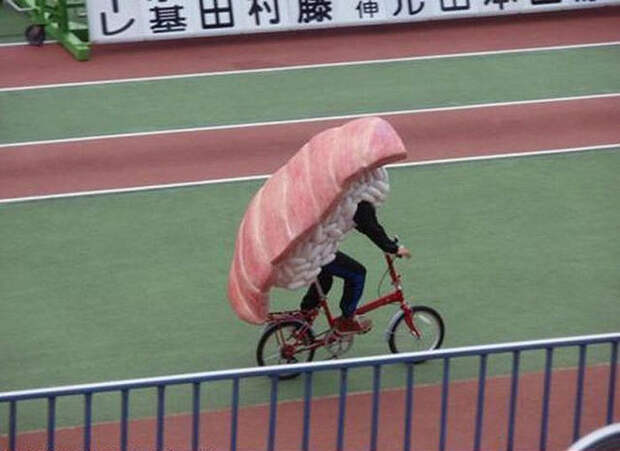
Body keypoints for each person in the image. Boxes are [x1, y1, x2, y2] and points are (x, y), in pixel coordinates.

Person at [300, 200, 412, 334]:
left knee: (325, 278)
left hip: (307, 244)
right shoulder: (358, 199)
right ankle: (347, 319)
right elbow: (370, 227)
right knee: (357, 273)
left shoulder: (344, 196)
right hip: (317, 249)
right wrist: (393, 248)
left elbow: (366, 225)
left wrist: (387, 242)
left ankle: (303, 320)